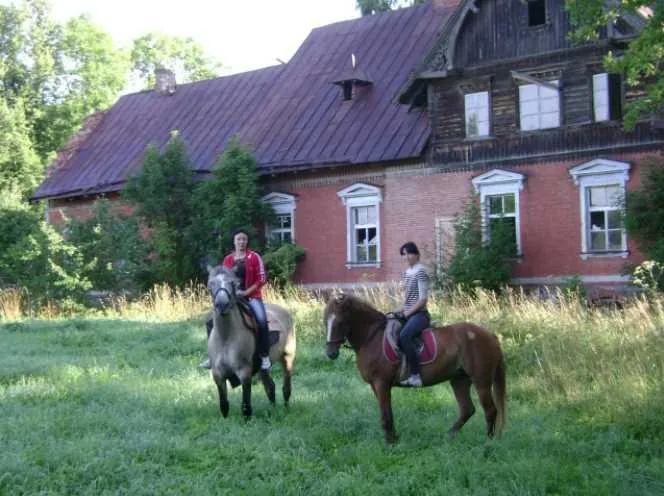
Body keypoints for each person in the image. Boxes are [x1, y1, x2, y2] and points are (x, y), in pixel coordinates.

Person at [200, 229, 272, 371]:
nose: (241, 242)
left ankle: (264, 356)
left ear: (247, 241)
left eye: (244, 239)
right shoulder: (228, 259)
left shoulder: (254, 257)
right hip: (232, 298)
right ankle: (212, 357)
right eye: (238, 239)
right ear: (234, 241)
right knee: (209, 320)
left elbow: (262, 279)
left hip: (251, 297)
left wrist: (245, 292)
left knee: (262, 321)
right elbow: (223, 279)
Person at [395, 241, 430, 387]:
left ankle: (416, 375)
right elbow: (408, 299)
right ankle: (402, 370)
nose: (407, 257)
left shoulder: (420, 271)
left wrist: (407, 313)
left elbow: (422, 300)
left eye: (409, 253)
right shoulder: (407, 273)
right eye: (404, 254)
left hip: (420, 315)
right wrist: (399, 310)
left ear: (416, 255)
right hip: (409, 313)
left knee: (404, 336)